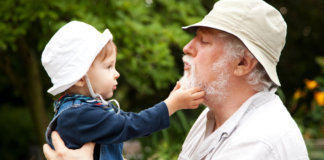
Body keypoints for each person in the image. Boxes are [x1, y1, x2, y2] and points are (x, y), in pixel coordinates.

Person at [43, 0, 310, 159]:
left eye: (203, 40)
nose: (187, 47)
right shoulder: (211, 119)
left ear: (243, 63)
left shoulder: (258, 142)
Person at [41, 20, 205, 160]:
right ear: (80, 78)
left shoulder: (86, 110)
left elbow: (128, 121)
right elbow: (131, 125)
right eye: (109, 67)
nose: (117, 73)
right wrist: (171, 105)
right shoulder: (80, 115)